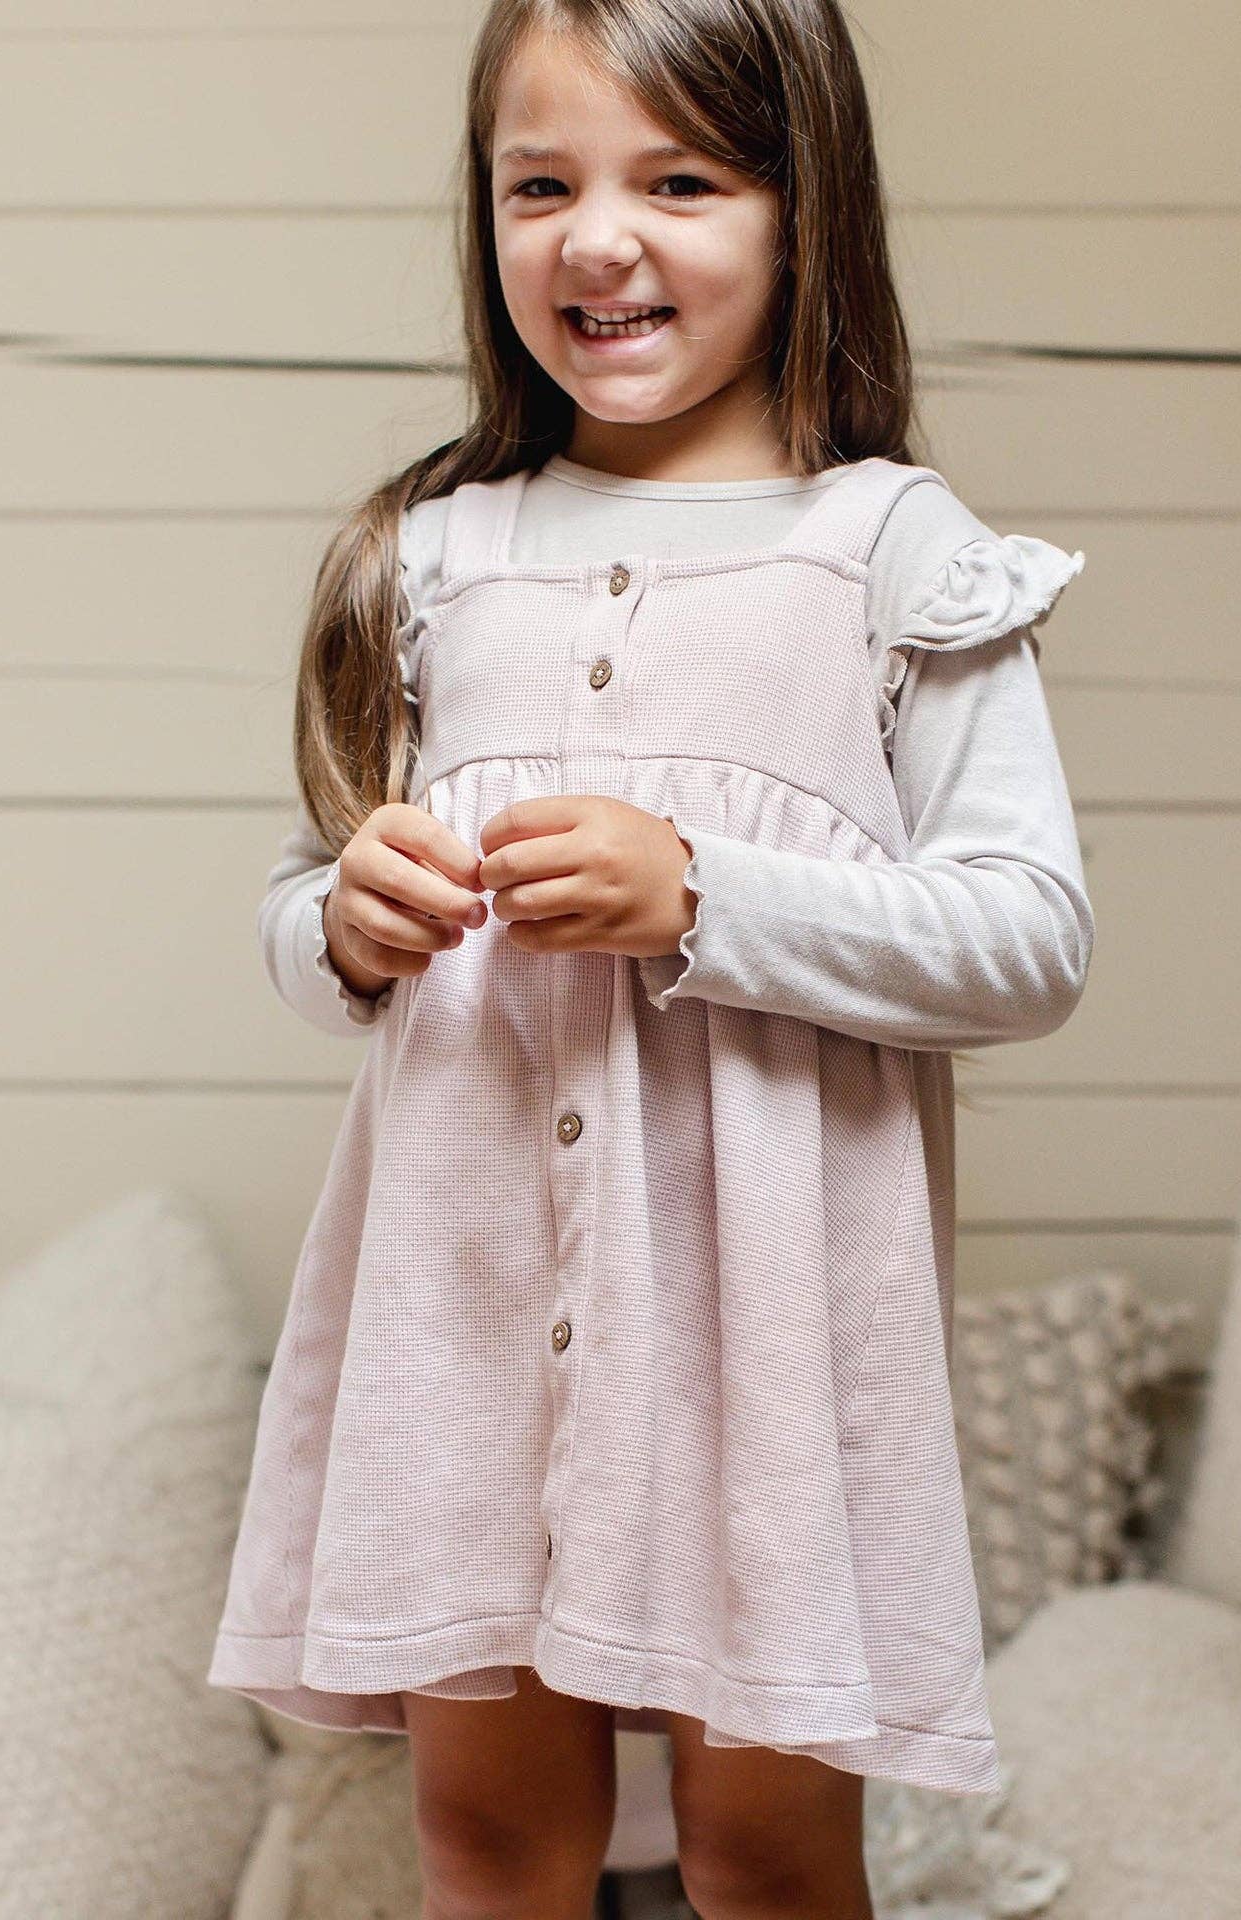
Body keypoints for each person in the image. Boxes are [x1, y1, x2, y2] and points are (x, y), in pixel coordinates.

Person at [207, 0, 1094, 1912]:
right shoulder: (434, 558)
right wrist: (340, 930)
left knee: (766, 1846)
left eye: (677, 180)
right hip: (466, 1315)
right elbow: (308, 894)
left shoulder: (890, 557)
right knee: (483, 1830)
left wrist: (705, 895)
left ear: (802, 209)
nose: (597, 238)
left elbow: (1028, 940)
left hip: (761, 1342)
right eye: (543, 184)